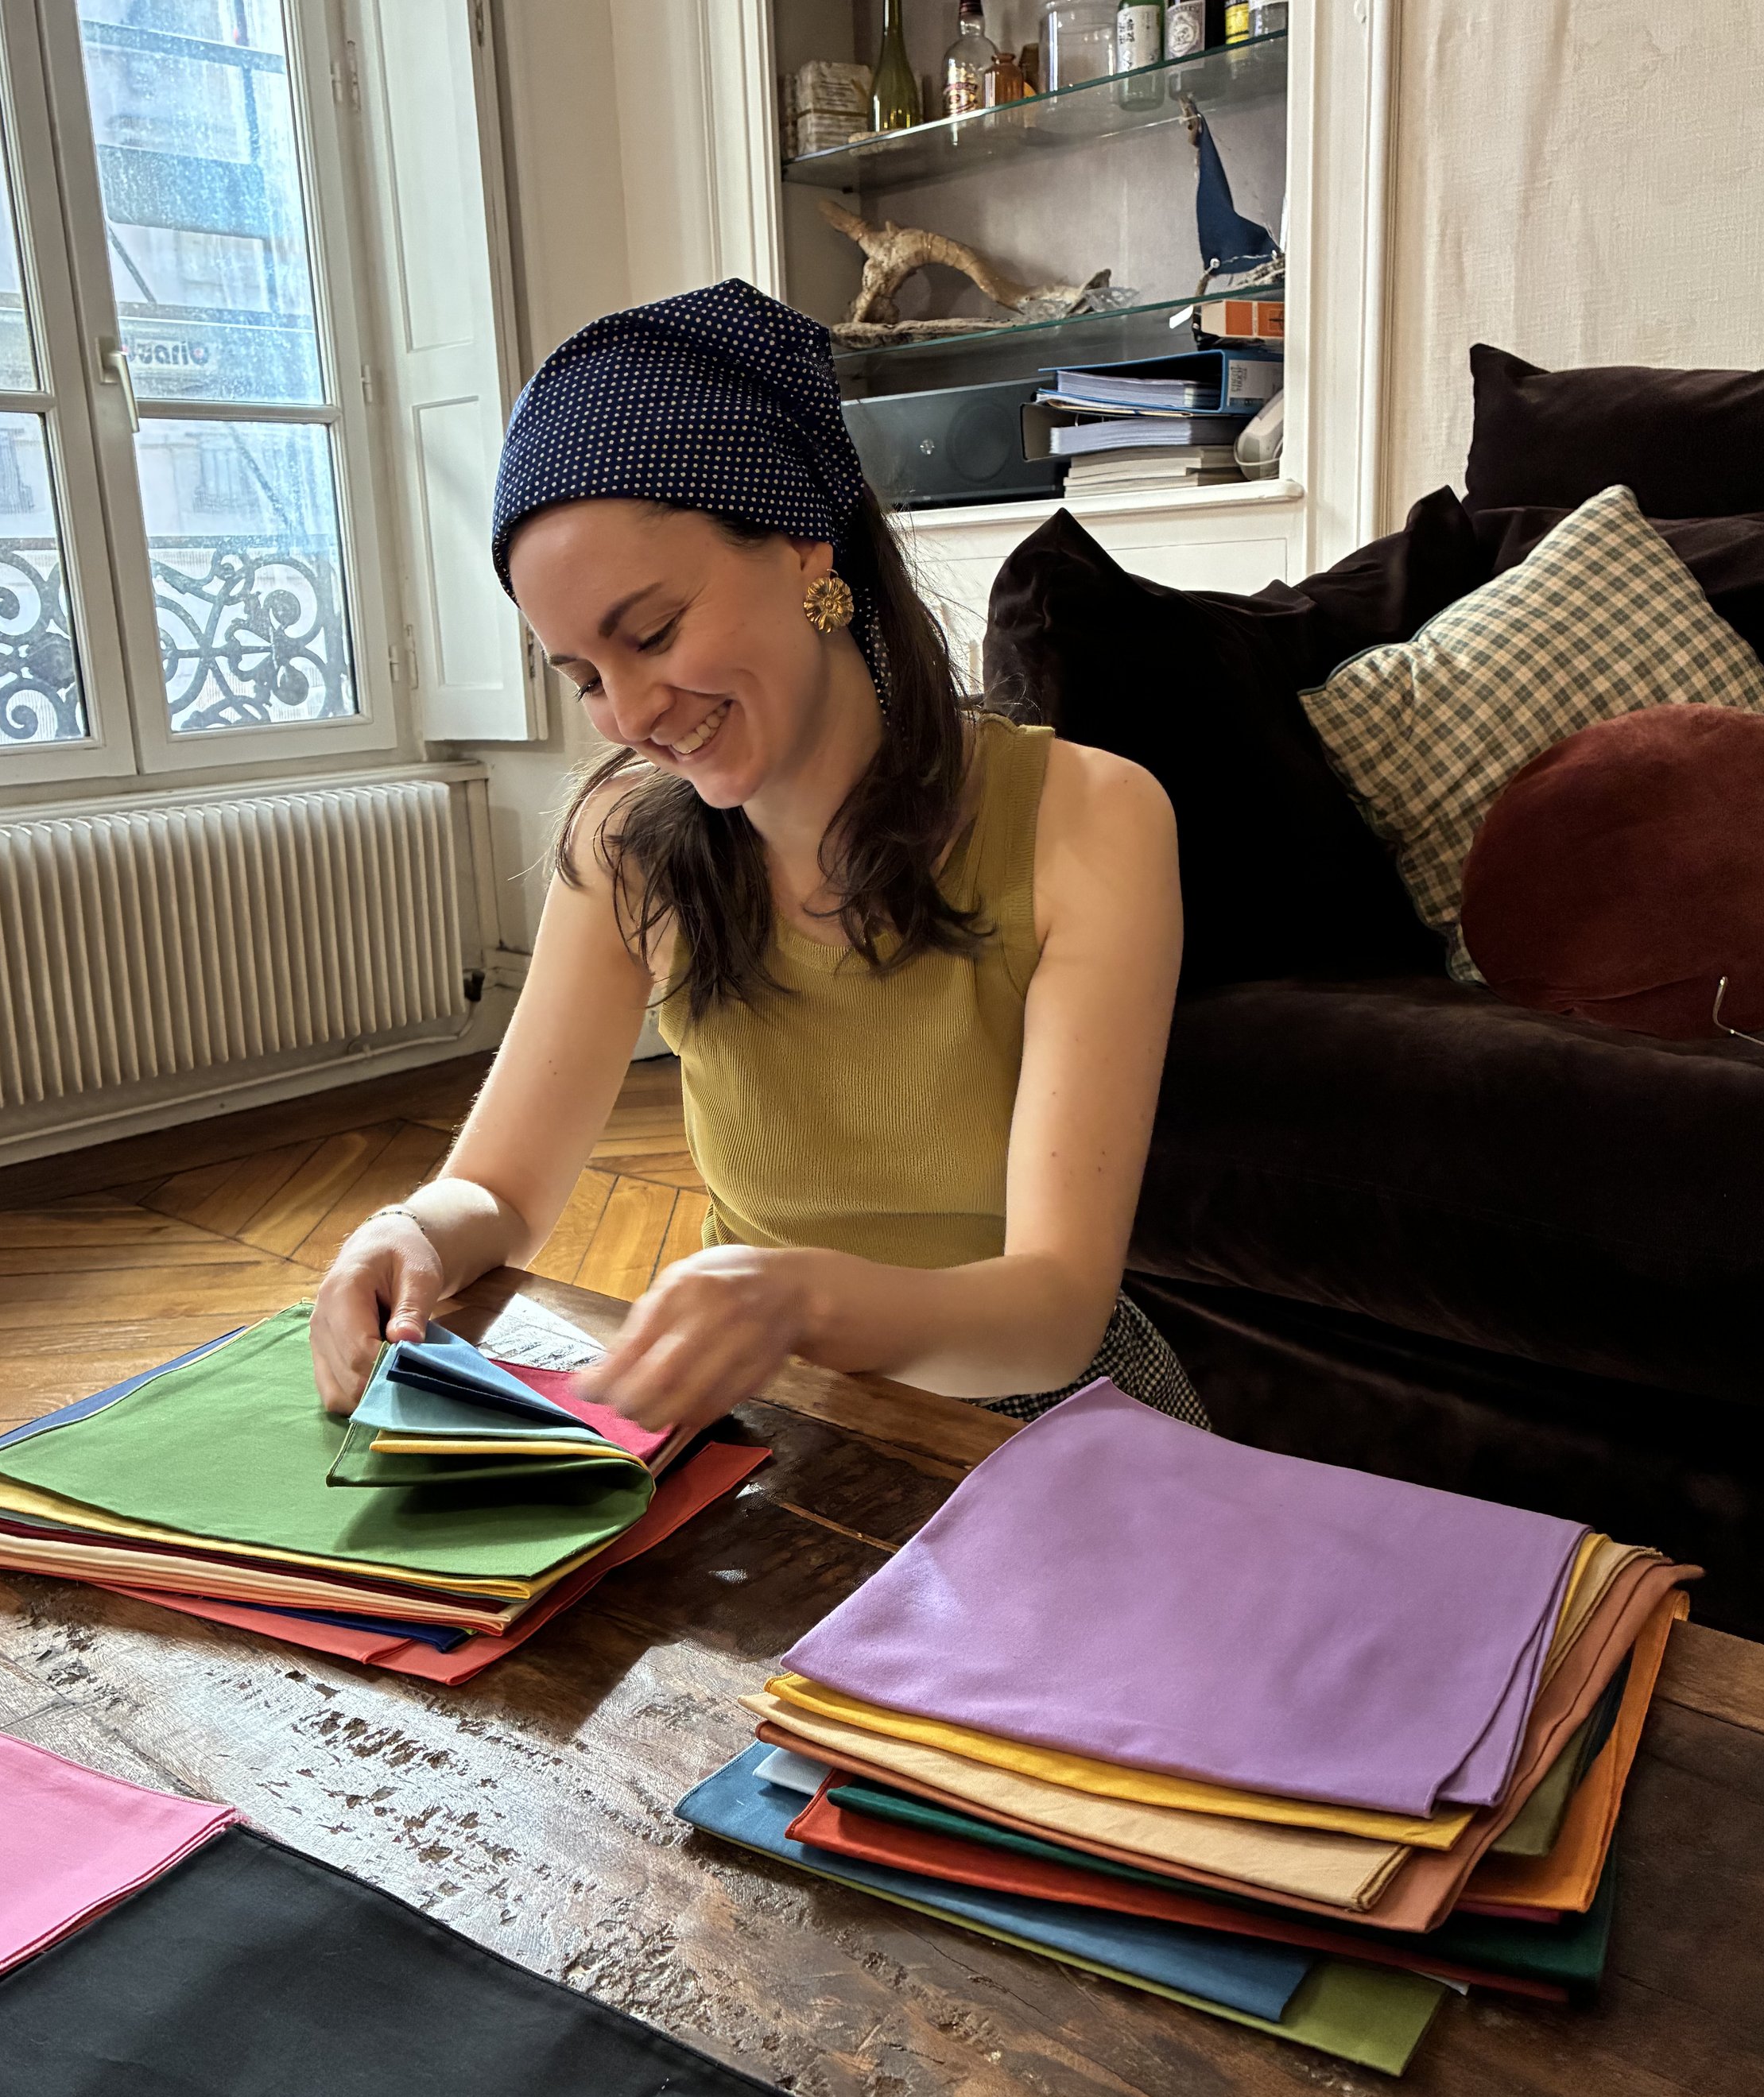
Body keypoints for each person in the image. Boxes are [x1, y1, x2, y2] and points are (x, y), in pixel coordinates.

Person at [310, 280, 1205, 1436]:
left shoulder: (1094, 819)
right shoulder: (626, 850)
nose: (630, 711)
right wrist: (409, 1233)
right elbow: (506, 1193)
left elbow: (1050, 1312)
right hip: (781, 1414)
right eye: (584, 676)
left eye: (654, 633)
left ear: (799, 546)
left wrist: (798, 1304)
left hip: (1050, 1422)